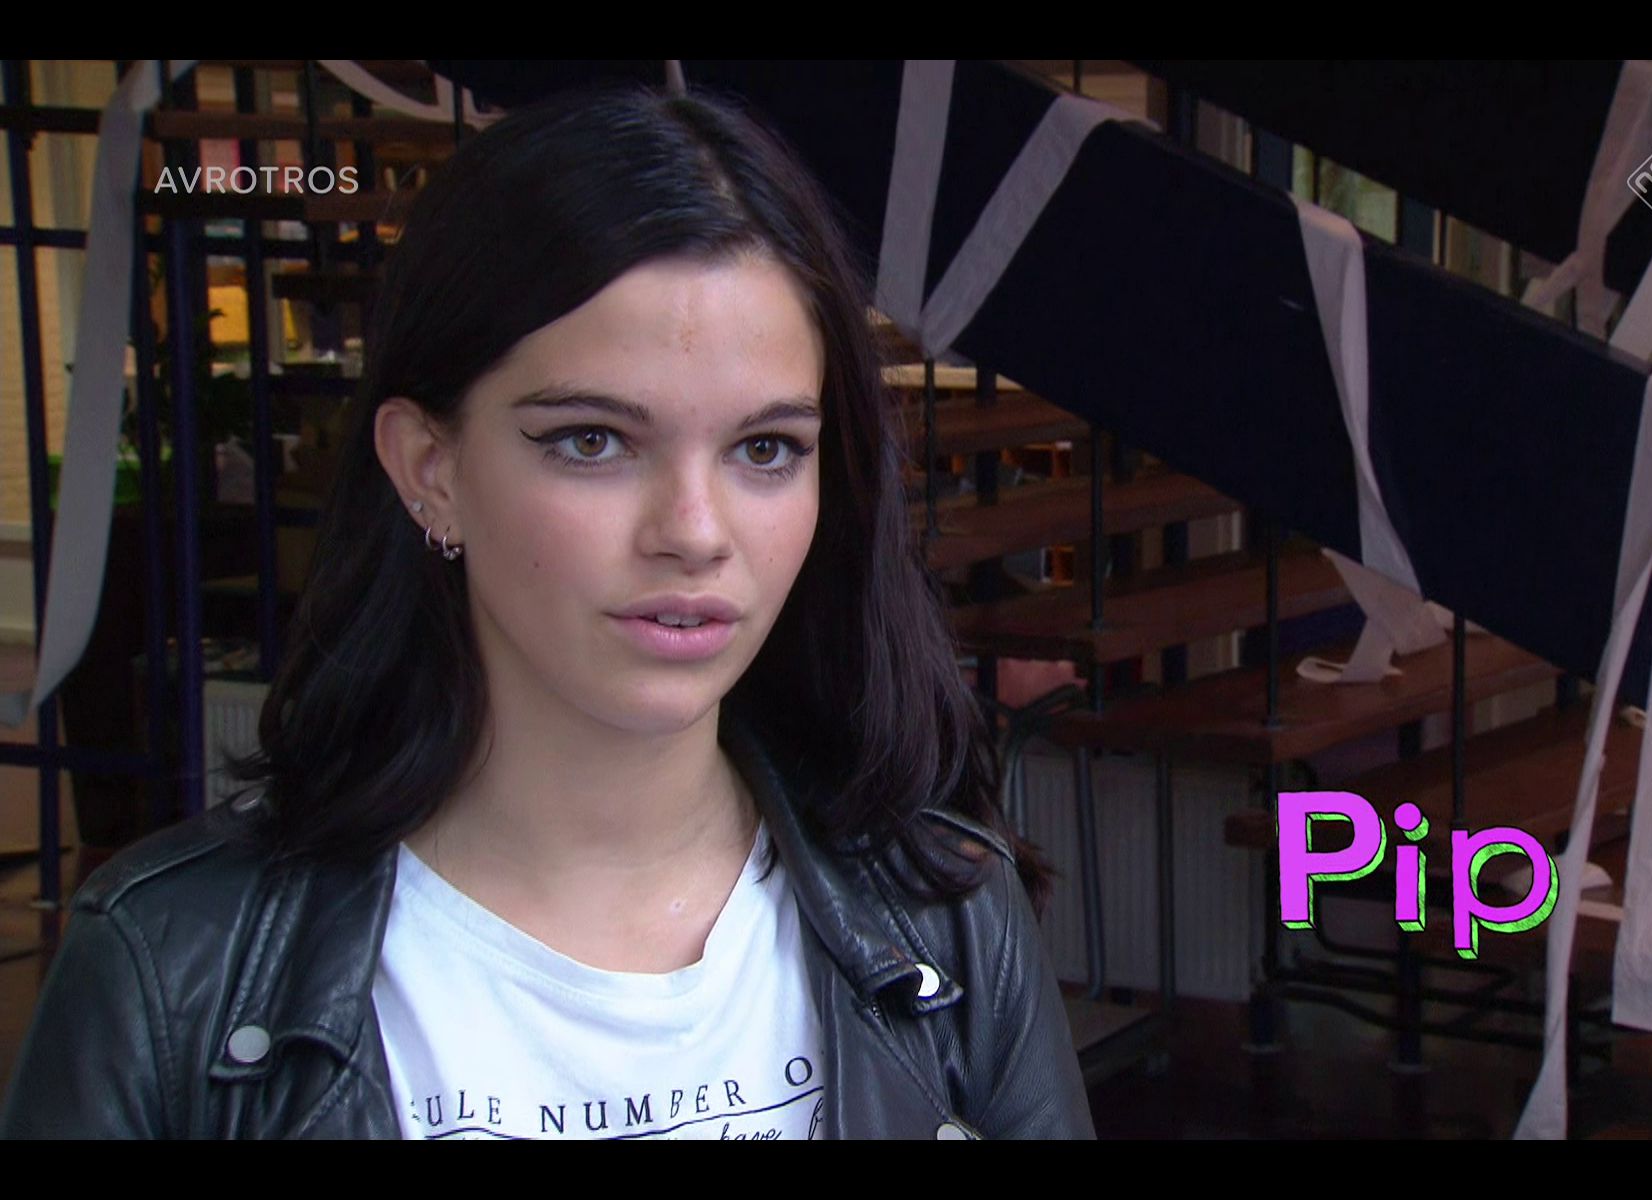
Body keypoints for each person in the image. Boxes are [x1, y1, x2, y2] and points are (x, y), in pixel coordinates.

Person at [1, 83, 1094, 1141]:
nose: (694, 531)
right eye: (593, 440)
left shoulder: (951, 917)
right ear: (429, 469)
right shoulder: (170, 973)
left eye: (766, 449)